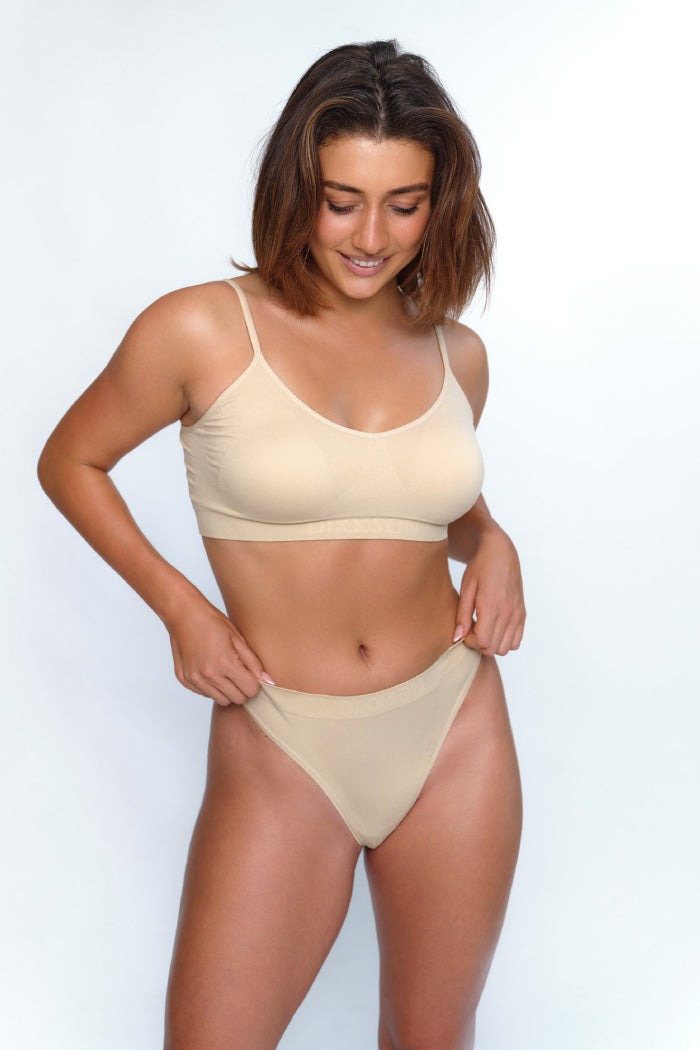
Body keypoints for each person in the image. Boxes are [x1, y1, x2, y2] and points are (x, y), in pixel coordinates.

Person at [38, 39, 525, 1050]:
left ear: (440, 203)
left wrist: (492, 539)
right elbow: (71, 462)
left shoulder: (457, 353)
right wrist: (182, 609)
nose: (371, 236)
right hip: (280, 735)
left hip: (454, 726)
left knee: (433, 1037)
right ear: (297, 187)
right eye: (342, 200)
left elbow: (409, 499)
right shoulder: (200, 329)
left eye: (404, 204)